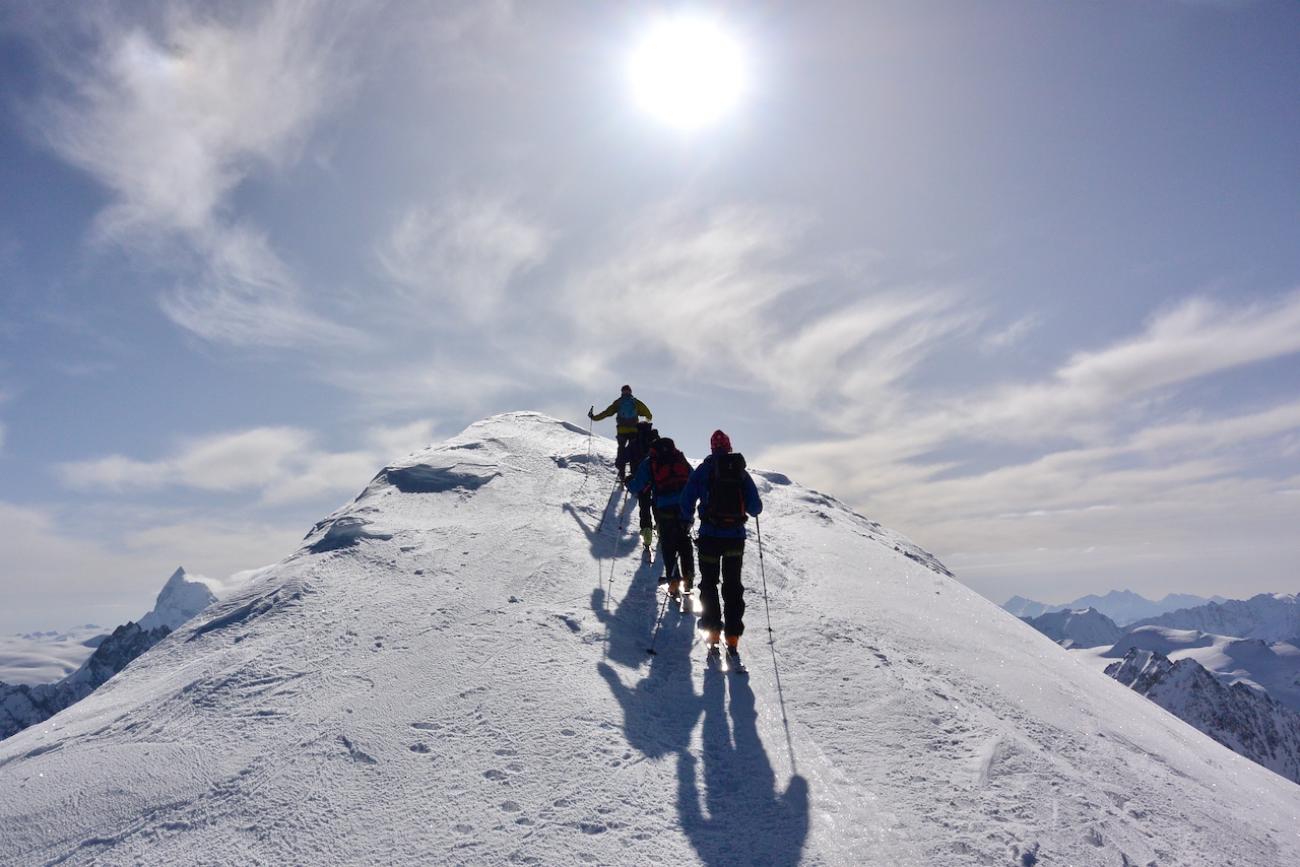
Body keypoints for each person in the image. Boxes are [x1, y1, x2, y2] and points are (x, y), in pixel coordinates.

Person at [679, 429, 762, 670]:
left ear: (711, 447)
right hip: (735, 538)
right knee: (733, 586)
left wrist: (686, 519)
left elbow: (687, 498)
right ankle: (733, 638)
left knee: (709, 584)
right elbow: (756, 508)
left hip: (709, 537)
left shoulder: (704, 470)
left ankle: (713, 636)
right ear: (728, 446)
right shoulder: (740, 471)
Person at [626, 433, 696, 602]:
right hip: (683, 508)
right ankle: (688, 580)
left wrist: (628, 481)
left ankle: (673, 584)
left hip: (664, 509)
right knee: (684, 542)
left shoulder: (651, 461)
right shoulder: (678, 457)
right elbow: (693, 477)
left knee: (669, 546)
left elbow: (637, 486)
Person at [588, 385, 652, 481]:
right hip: (634, 431)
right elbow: (648, 414)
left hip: (622, 431)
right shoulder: (635, 402)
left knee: (621, 451)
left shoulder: (618, 402)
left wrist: (594, 417)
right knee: (634, 452)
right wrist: (646, 421)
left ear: (622, 392)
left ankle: (621, 473)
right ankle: (634, 474)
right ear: (630, 391)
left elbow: (606, 413)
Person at [623, 422, 659, 553]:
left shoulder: (634, 442)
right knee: (657, 503)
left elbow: (624, 457)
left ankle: (647, 532)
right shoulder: (656, 440)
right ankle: (660, 527)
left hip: (640, 479)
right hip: (657, 478)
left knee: (644, 505)